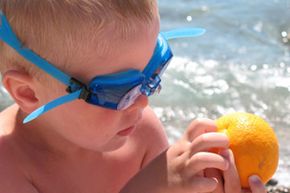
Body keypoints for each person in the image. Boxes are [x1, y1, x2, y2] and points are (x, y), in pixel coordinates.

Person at [0, 0, 267, 193]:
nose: (143, 101)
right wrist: (150, 186)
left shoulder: (141, 133)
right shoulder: (8, 168)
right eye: (119, 91)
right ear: (28, 93)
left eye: (153, 70)